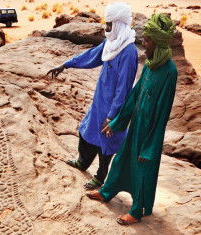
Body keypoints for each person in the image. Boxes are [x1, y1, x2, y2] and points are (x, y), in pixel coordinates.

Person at [87, 13, 178, 225]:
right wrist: (117, 122)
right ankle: (107, 192)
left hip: (149, 133)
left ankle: (137, 211)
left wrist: (150, 146)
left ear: (157, 42)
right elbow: (134, 97)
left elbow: (162, 114)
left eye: (147, 40)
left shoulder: (169, 72)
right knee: (121, 159)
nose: (143, 44)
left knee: (142, 170)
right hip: (136, 125)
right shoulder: (150, 64)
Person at [47, 2, 138, 190]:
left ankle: (100, 177)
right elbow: (91, 56)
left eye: (109, 25)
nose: (106, 28)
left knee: (107, 141)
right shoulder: (111, 44)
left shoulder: (128, 52)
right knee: (86, 130)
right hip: (100, 101)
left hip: (113, 106)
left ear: (119, 25)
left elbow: (124, 88)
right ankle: (82, 162)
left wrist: (112, 116)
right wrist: (66, 64)